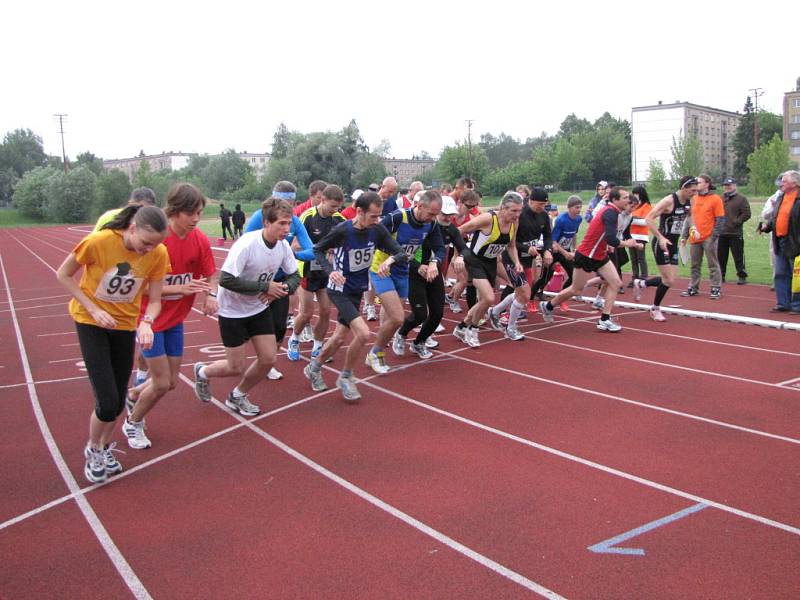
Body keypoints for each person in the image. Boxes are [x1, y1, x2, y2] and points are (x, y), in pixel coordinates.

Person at [56, 205, 170, 483]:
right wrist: (93, 309)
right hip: (90, 322)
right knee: (107, 401)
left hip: (125, 324)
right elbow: (63, 274)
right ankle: (93, 449)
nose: (148, 250)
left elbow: (154, 301)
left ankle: (105, 447)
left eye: (155, 245)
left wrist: (147, 323)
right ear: (132, 228)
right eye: (145, 243)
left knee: (118, 400)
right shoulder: (99, 242)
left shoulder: (158, 253)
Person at [123, 183, 217, 449]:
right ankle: (133, 422)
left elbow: (210, 273)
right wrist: (179, 288)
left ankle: (134, 394)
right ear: (175, 212)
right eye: (191, 214)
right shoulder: (156, 239)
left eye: (199, 213)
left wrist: (211, 295)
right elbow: (138, 285)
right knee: (162, 383)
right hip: (149, 321)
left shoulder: (198, 239)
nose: (197, 219)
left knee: (171, 382)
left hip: (175, 320)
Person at [192, 197, 301, 415]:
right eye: (281, 223)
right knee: (235, 367)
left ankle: (238, 395)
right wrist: (264, 287)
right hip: (232, 311)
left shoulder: (283, 247)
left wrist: (281, 290)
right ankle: (203, 372)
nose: (286, 229)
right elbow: (226, 280)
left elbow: (294, 276)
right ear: (267, 223)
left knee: (269, 359)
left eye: (289, 224)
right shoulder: (247, 245)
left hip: (258, 309)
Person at [303, 191, 407, 402]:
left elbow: (400, 252)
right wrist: (330, 270)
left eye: (379, 216)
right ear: (359, 211)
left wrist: (391, 260)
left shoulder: (377, 230)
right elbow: (318, 249)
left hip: (357, 288)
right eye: (373, 216)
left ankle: (313, 367)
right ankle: (346, 377)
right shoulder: (342, 230)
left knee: (340, 337)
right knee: (363, 333)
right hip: (338, 288)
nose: (377, 220)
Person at [540, 188, 642, 332]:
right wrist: (628, 243)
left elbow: (605, 236)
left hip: (599, 255)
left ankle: (605, 319)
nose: (628, 200)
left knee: (616, 282)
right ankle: (548, 306)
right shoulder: (610, 212)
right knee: (576, 289)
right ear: (615, 200)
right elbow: (611, 239)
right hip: (586, 255)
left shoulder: (614, 212)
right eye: (625, 197)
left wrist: (608, 245)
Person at [244, 181, 315, 374]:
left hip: (281, 278)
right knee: (252, 327)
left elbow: (311, 251)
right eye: (281, 203)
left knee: (279, 325)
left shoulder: (295, 221)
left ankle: (267, 364)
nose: (286, 208)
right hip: (258, 279)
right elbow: (243, 245)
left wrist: (290, 254)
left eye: (290, 204)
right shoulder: (260, 217)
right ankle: (258, 358)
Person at [370, 190, 444, 372]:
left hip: (402, 272)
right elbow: (374, 235)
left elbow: (440, 248)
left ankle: (382, 338)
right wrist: (391, 255)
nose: (433, 218)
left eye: (436, 214)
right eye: (431, 214)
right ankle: (375, 353)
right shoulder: (397, 217)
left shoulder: (432, 225)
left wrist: (435, 262)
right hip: (382, 269)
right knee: (396, 317)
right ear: (419, 206)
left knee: (393, 314)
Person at [396, 195, 466, 358]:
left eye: (451, 215)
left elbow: (462, 247)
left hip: (434, 273)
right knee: (420, 314)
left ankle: (419, 342)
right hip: (415, 272)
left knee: (437, 313)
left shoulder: (450, 229)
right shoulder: (423, 227)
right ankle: (401, 334)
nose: (448, 218)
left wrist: (461, 255)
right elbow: (403, 250)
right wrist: (417, 266)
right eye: (443, 215)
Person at [454, 191, 524, 347]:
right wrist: (458, 254)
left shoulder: (514, 222)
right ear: (503, 208)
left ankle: (462, 327)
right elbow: (459, 231)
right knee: (489, 298)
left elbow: (511, 245)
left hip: (491, 262)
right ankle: (472, 331)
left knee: (485, 300)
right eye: (514, 210)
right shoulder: (488, 219)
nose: (517, 214)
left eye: (520, 210)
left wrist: (517, 262)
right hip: (475, 260)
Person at [287, 184, 346, 362]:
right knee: (306, 313)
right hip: (307, 270)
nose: (334, 211)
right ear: (322, 200)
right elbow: (294, 245)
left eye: (338, 207)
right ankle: (294, 339)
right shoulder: (307, 217)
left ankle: (318, 345)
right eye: (332, 206)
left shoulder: (338, 219)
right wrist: (318, 250)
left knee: (326, 311)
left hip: (326, 271)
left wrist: (332, 251)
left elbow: (343, 244)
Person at [488, 188, 552, 340]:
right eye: (540, 204)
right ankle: (511, 327)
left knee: (522, 294)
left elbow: (548, 236)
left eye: (544, 204)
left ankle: (494, 311)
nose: (542, 207)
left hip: (526, 261)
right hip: (512, 259)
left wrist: (548, 250)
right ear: (530, 201)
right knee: (524, 294)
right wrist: (526, 247)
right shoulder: (518, 216)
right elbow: (510, 242)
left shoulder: (544, 216)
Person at [633, 176, 698, 321]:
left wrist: (693, 228)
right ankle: (655, 309)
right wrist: (661, 237)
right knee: (668, 280)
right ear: (683, 188)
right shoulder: (669, 201)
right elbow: (649, 218)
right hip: (661, 243)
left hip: (673, 243)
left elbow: (690, 215)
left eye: (696, 190)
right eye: (692, 190)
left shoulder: (688, 200)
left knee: (670, 279)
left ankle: (641, 283)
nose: (695, 193)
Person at [680, 174, 725, 299]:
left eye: (699, 182)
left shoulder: (715, 199)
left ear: (707, 184)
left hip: (708, 236)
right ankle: (693, 287)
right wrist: (684, 236)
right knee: (694, 264)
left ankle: (715, 287)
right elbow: (688, 219)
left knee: (713, 263)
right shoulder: (693, 198)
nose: (696, 185)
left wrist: (714, 236)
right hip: (694, 237)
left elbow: (720, 219)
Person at [762, 170, 800, 313]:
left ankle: (797, 305)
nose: (781, 183)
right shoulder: (780, 197)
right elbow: (776, 217)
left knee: (797, 275)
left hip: (795, 242)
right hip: (780, 240)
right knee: (780, 273)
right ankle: (783, 303)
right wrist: (767, 226)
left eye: (784, 181)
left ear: (795, 183)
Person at [547, 195, 582, 310]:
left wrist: (574, 249)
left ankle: (561, 297)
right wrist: (565, 253)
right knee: (545, 277)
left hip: (565, 250)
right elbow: (554, 240)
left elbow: (574, 234)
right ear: (569, 208)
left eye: (580, 207)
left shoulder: (579, 219)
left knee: (574, 276)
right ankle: (532, 298)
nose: (579, 210)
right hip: (555, 250)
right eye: (577, 207)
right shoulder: (561, 219)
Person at [717, 177, 751, 285]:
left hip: (735, 232)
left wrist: (737, 221)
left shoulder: (741, 198)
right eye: (726, 185)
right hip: (722, 232)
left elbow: (747, 213)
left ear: (735, 186)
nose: (728, 187)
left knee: (738, 256)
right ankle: (721, 276)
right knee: (721, 256)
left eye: (730, 185)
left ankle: (742, 276)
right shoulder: (720, 198)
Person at [628, 185, 652, 284]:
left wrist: (631, 219)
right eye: (633, 194)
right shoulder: (633, 205)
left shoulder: (647, 206)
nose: (634, 196)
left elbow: (645, 221)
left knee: (640, 257)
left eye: (636, 194)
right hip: (631, 235)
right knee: (633, 258)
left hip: (641, 235)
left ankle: (644, 276)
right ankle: (635, 276)